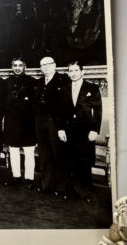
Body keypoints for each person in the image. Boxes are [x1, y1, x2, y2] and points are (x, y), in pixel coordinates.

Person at [57, 61, 102, 202]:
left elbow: (98, 111)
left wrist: (95, 130)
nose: (73, 73)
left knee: (84, 161)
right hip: (69, 129)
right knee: (69, 160)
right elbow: (61, 112)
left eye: (76, 70)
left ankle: (86, 192)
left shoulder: (92, 88)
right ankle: (72, 191)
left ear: (82, 72)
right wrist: (60, 129)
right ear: (68, 73)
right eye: (71, 70)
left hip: (85, 130)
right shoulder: (64, 89)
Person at [34, 56, 69, 195]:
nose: (45, 67)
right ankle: (47, 185)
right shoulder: (39, 82)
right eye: (42, 65)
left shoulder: (63, 80)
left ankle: (61, 187)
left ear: (55, 65)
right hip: (40, 122)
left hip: (55, 122)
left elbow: (66, 106)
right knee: (44, 154)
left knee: (58, 154)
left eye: (48, 64)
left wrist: (62, 127)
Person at [3, 58, 37, 190]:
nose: (17, 68)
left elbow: (34, 105)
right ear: (12, 67)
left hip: (27, 123)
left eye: (20, 65)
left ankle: (29, 178)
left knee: (29, 152)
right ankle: (15, 176)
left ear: (25, 66)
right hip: (12, 122)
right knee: (13, 151)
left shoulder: (32, 82)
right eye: (15, 65)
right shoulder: (7, 83)